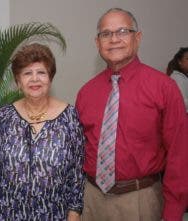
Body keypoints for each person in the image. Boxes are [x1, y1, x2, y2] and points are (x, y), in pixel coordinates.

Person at [76, 8, 188, 221]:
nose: (114, 39)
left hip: (140, 201)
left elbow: (180, 155)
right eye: (106, 34)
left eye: (123, 31)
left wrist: (173, 214)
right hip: (91, 200)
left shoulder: (164, 88)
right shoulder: (86, 93)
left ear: (138, 38)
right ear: (97, 42)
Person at [0, 43, 85, 221]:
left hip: (54, 214)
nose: (34, 79)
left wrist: (74, 214)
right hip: (8, 213)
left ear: (50, 78)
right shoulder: (5, 116)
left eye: (41, 72)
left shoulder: (69, 117)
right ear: (18, 81)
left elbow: (76, 173)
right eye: (27, 73)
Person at [166, 47, 188, 113]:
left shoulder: (183, 77)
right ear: (179, 62)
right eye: (187, 59)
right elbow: (182, 102)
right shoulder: (178, 77)